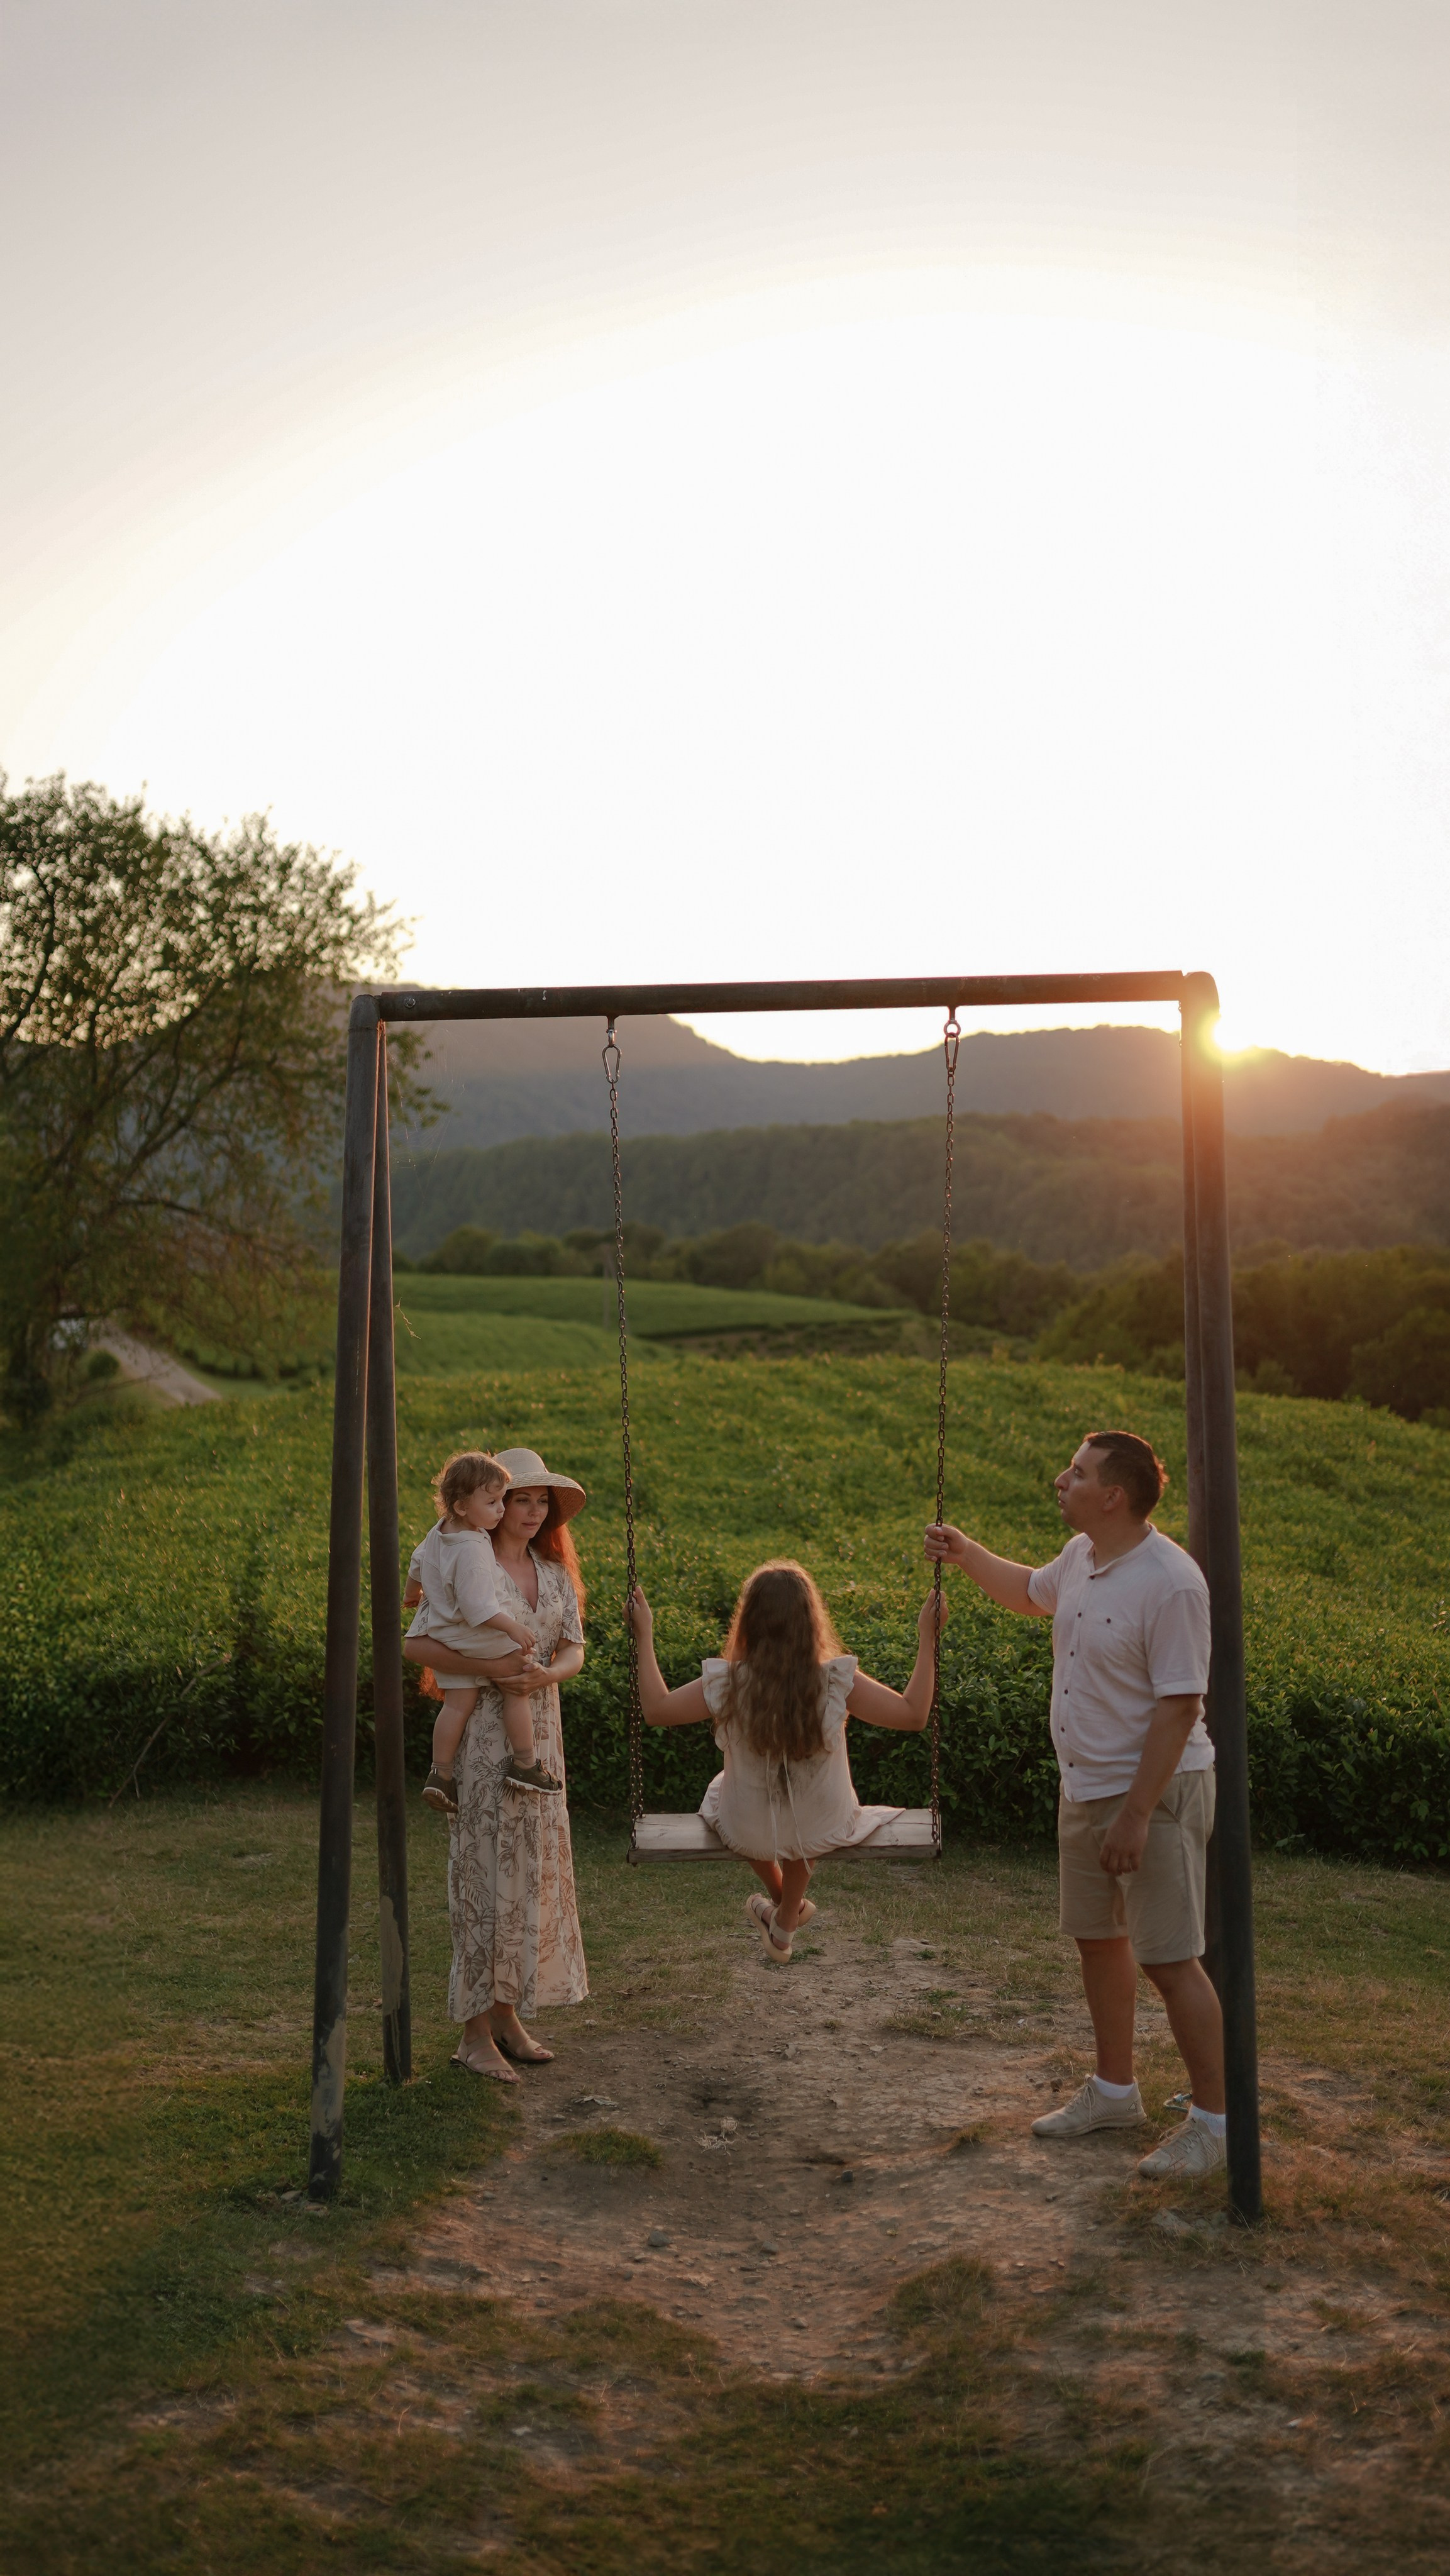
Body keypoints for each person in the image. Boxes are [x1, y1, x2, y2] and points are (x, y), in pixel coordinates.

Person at [926, 1429, 1226, 2182]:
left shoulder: (1171, 1581)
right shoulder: (1083, 1559)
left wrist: (1132, 1814)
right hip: (1084, 1784)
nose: (1061, 1479)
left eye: (1077, 1472)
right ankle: (1115, 2092)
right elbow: (1029, 1590)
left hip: (1150, 1794)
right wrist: (965, 1553)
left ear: (1113, 1495)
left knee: (1170, 1957)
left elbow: (1180, 1706)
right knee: (1098, 1940)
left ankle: (1216, 2123)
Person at [628, 1559, 948, 1962]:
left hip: (748, 1831)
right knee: (811, 1808)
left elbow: (656, 1710)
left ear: (748, 1623)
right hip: (823, 1824)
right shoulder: (835, 1681)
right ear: (811, 1622)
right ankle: (785, 1915)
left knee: (723, 1792)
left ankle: (784, 1914)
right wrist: (928, 1637)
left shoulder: (728, 1682)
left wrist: (644, 1634)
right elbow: (913, 1715)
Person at [404, 1446, 589, 2084]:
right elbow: (416, 1643)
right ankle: (473, 2034)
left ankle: (507, 2015)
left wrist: (542, 1677)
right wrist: (492, 1670)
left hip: (538, 1740)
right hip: (484, 1746)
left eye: (543, 1501)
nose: (534, 1511)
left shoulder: (555, 1573)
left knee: (528, 1878)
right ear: (492, 1505)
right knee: (483, 1880)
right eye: (522, 1499)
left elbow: (573, 1650)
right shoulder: (466, 1565)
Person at [403, 1449, 558, 1814]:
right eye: (493, 1503)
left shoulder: (439, 1534)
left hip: (445, 1632)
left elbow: (416, 1562)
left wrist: (412, 1593)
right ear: (461, 1506)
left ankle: (439, 1773)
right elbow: (479, 1609)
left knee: (457, 1704)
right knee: (519, 1669)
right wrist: (513, 1627)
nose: (501, 1510)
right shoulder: (474, 1548)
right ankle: (525, 1762)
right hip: (472, 1632)